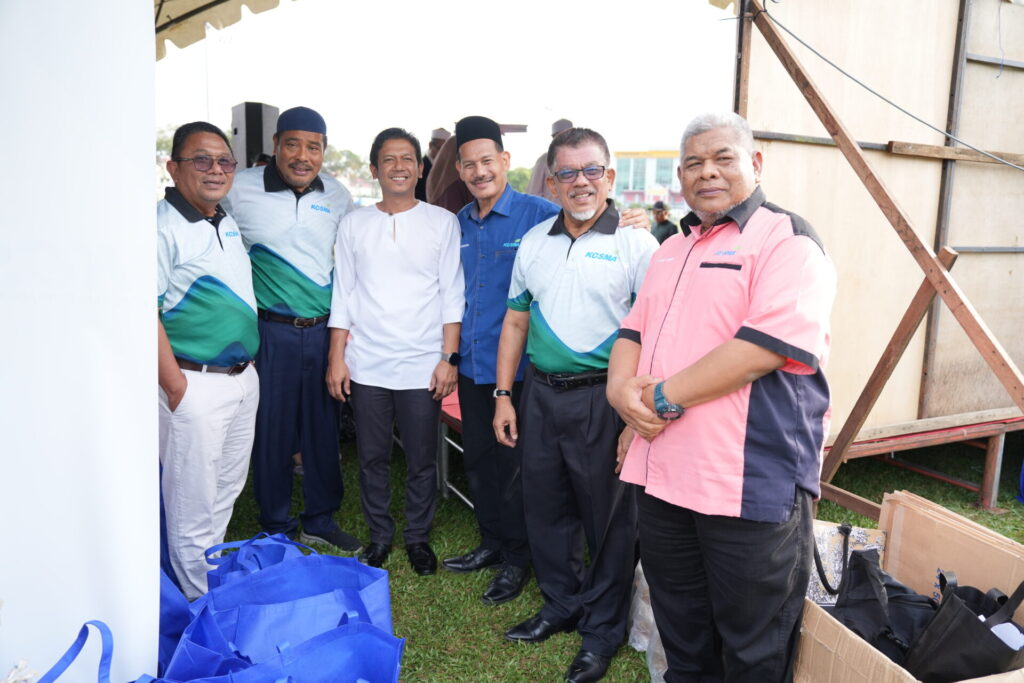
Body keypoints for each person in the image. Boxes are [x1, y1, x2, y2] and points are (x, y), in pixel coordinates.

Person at [607, 112, 836, 682]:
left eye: (722, 158)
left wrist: (657, 398)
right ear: (680, 176)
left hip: (747, 484)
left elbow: (762, 349)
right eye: (693, 163)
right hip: (664, 480)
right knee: (684, 637)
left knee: (753, 649)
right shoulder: (672, 248)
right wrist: (619, 394)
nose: (706, 172)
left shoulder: (787, 240)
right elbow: (634, 331)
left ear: (754, 163)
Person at [444, 116, 652, 608]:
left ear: (506, 162)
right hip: (482, 365)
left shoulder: (540, 215)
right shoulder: (460, 223)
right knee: (493, 467)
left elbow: (651, 320)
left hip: (558, 379)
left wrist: (634, 218)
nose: (480, 171)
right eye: (469, 164)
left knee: (549, 483)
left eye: (488, 161)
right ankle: (510, 555)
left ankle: (541, 572)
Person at [494, 127, 659, 683]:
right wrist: (503, 395)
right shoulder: (535, 242)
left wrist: (633, 418)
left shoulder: (638, 244)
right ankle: (561, 604)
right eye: (567, 172)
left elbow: (655, 334)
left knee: (607, 521)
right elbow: (515, 321)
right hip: (540, 394)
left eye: (591, 171)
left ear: (609, 177)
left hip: (603, 397)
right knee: (546, 505)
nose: (580, 182)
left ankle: (602, 631)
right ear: (551, 182)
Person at [326, 128, 464, 575]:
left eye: (407, 159)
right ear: (374, 169)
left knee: (422, 458)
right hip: (367, 362)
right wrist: (336, 358)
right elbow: (344, 294)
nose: (399, 167)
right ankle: (380, 536)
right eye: (389, 159)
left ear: (421, 168)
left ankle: (418, 537)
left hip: (422, 363)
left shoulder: (442, 222)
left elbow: (452, 294)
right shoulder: (354, 224)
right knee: (372, 457)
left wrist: (448, 358)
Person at [223, 106, 359, 551]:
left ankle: (320, 518)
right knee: (272, 430)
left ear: (324, 151)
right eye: (293, 145)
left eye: (313, 147)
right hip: (270, 331)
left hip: (322, 332)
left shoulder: (337, 195)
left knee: (322, 427)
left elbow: (353, 258)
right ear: (277, 145)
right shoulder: (239, 189)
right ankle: (275, 524)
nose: (303, 156)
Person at [158, 121, 259, 599]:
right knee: (191, 506)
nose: (216, 169)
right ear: (173, 167)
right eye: (202, 159)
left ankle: (209, 585)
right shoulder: (160, 227)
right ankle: (200, 606)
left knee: (224, 493)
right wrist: (176, 387)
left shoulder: (225, 219)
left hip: (241, 379)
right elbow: (141, 313)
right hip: (193, 384)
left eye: (224, 161)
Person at [525, 118, 573, 200]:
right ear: (554, 138)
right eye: (559, 136)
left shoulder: (581, 158)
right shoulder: (544, 160)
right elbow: (533, 194)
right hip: (552, 208)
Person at [415, 127, 450, 201]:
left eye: (444, 150)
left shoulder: (446, 167)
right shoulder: (420, 166)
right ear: (430, 145)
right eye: (439, 148)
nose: (442, 152)